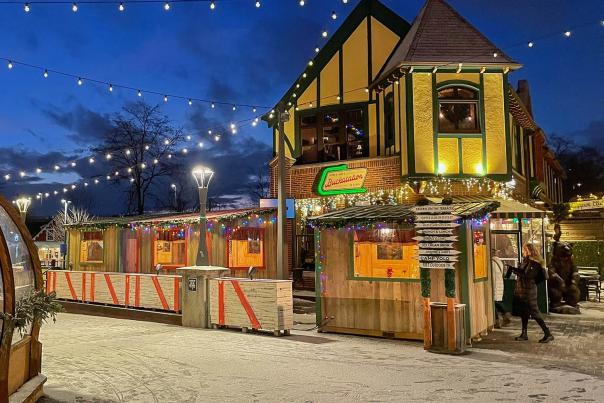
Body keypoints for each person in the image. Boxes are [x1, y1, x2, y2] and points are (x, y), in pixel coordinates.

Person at [506, 243, 554, 343]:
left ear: (529, 250)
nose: (523, 251)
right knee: (524, 313)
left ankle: (548, 333)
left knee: (535, 313)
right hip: (522, 291)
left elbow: (528, 275)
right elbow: (522, 272)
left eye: (524, 250)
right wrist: (513, 269)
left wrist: (514, 271)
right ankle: (524, 334)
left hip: (529, 292)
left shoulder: (534, 263)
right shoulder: (526, 261)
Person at [491, 249, 511, 328]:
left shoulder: (492, 263)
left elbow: (492, 276)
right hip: (499, 284)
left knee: (494, 302)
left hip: (494, 285)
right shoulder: (499, 261)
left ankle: (498, 320)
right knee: (495, 302)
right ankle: (506, 314)